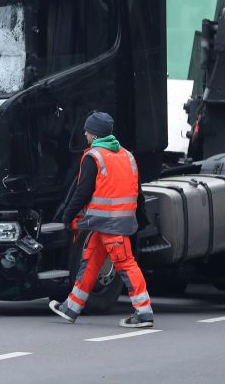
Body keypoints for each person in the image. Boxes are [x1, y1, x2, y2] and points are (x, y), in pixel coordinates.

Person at [49, 111, 153, 328]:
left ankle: (143, 313)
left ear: (94, 134)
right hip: (112, 222)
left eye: (87, 130)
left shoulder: (93, 157)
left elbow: (82, 191)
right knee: (90, 261)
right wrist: (142, 219)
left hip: (108, 223)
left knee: (125, 264)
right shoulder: (127, 156)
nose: (85, 133)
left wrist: (68, 216)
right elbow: (138, 191)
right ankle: (72, 307)